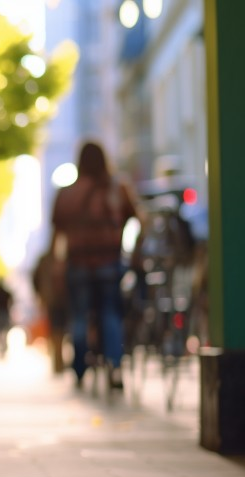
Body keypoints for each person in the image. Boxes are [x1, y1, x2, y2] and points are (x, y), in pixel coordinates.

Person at [51, 141, 140, 390]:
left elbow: (57, 235)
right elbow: (136, 220)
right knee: (110, 313)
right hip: (110, 262)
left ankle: (79, 367)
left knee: (79, 315)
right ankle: (114, 366)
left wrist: (56, 265)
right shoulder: (117, 188)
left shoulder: (67, 193)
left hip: (77, 262)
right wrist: (129, 250)